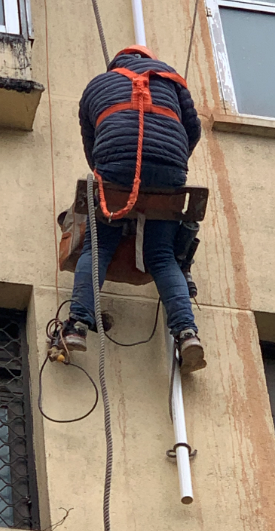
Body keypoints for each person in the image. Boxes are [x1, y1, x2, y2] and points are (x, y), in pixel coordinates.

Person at [63, 45, 205, 373]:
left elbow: (91, 140)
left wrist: (112, 175)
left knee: (98, 247)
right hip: (169, 170)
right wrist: (172, 163)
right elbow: (192, 130)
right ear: (150, 60)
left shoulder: (97, 85)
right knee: (161, 256)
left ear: (117, 64)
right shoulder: (171, 79)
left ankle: (76, 327)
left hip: (117, 167)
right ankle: (187, 334)